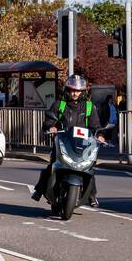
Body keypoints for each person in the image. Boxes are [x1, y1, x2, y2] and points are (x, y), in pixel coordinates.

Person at [32, 75, 113, 208]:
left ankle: (92, 196)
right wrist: (50, 126)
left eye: (78, 90)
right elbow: (49, 119)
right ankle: (39, 190)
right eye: (72, 90)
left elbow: (96, 125)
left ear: (83, 91)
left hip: (84, 145)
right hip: (63, 142)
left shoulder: (88, 106)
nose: (75, 93)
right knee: (52, 164)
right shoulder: (60, 104)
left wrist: (101, 135)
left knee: (89, 168)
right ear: (67, 90)